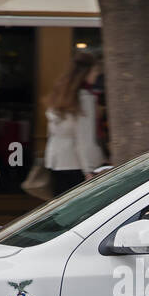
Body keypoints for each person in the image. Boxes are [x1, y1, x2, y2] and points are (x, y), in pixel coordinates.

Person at [44, 51, 105, 195]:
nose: (96, 76)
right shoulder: (85, 98)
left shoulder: (60, 94)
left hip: (56, 160)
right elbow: (84, 139)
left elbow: (51, 130)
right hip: (76, 164)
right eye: (95, 71)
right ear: (85, 72)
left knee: (59, 209)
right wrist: (88, 170)